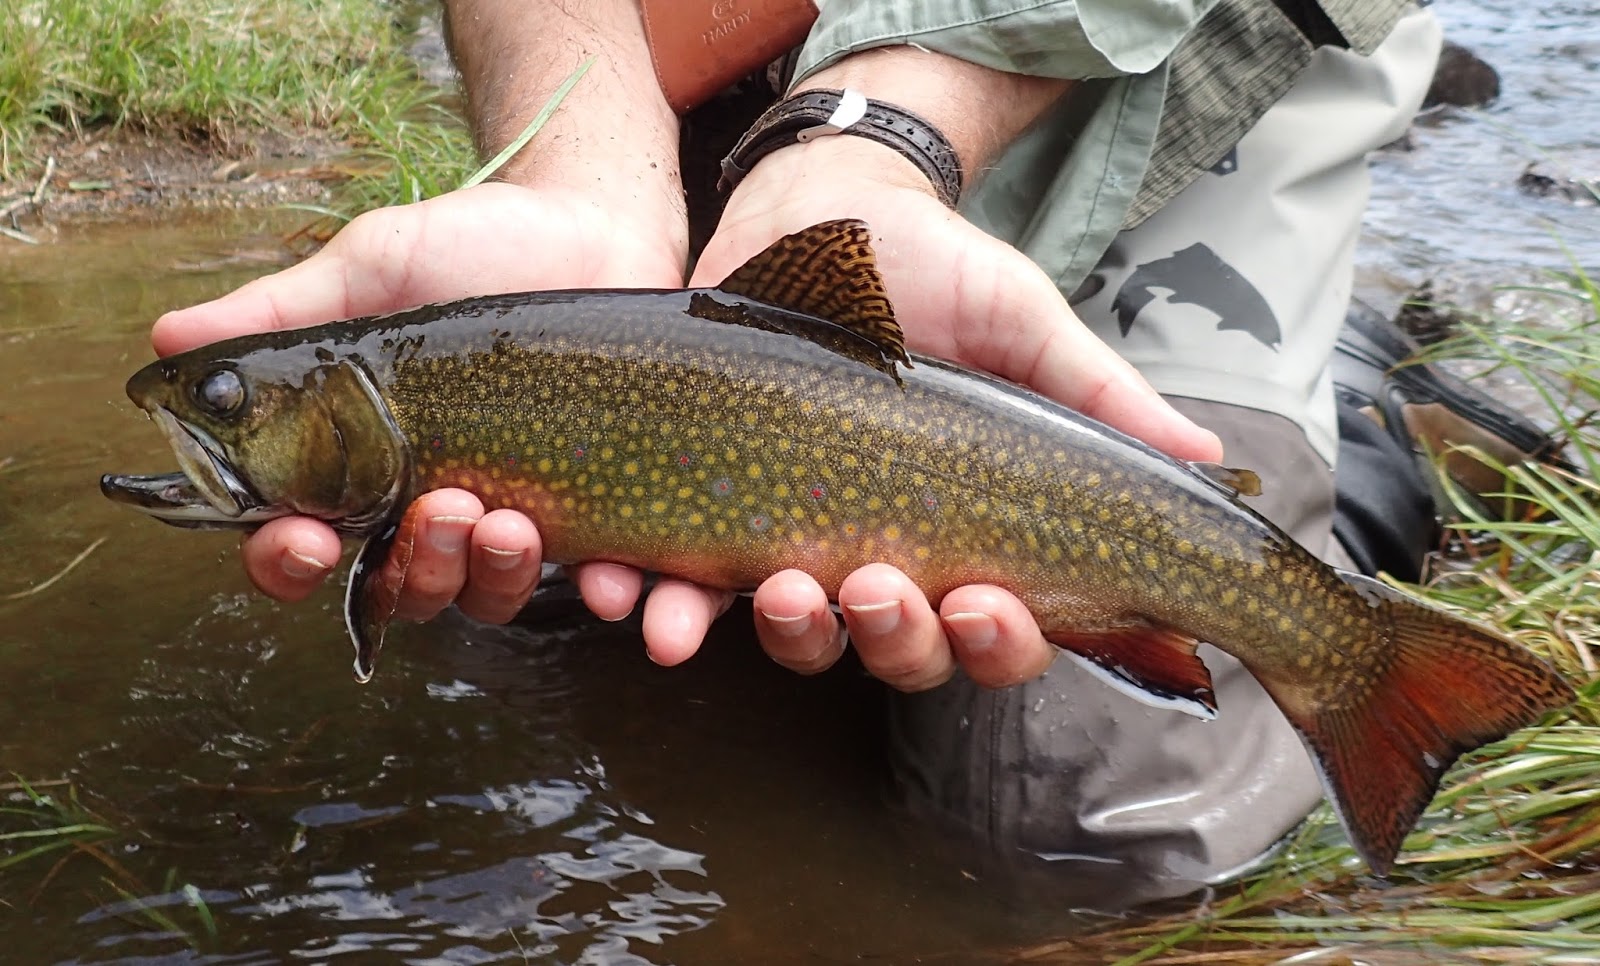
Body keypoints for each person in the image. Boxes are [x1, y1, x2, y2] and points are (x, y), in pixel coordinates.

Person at [150, 0, 1537, 903]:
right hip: (707, 79)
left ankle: (1367, 438)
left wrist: (861, 141)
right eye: (231, 407)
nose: (215, 415)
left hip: (1198, 62)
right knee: (530, 626)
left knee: (1083, 823)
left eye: (230, 406)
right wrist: (583, 172)